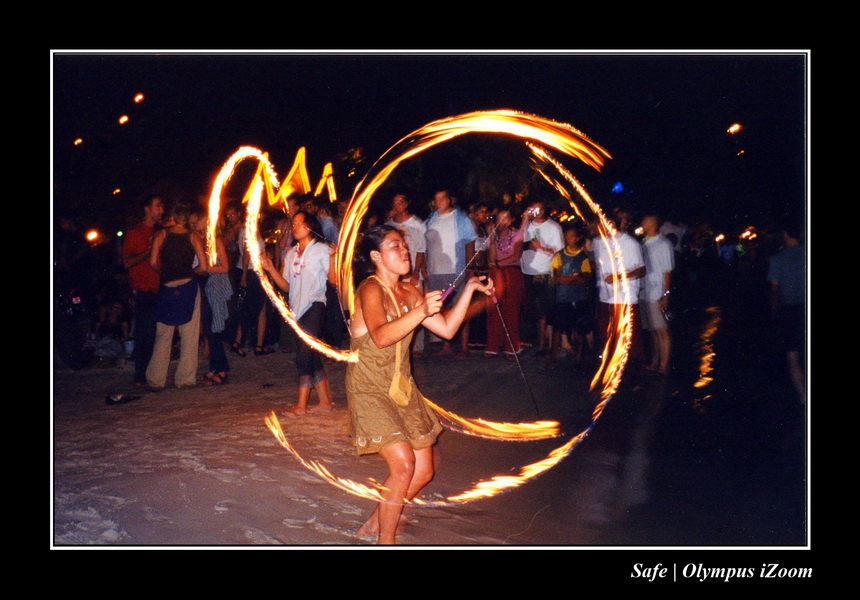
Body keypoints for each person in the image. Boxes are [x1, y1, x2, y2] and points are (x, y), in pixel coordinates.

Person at [346, 224, 494, 544]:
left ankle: (375, 521)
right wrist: (420, 312)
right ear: (376, 256)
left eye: (404, 245)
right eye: (395, 246)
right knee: (404, 465)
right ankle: (386, 541)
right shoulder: (370, 289)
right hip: (369, 387)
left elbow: (447, 329)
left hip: (402, 386)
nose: (404, 251)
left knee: (424, 471)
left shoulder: (410, 291)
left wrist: (469, 289)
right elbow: (382, 336)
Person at [261, 211, 336, 416]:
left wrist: (334, 257)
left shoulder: (322, 250)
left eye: (298, 223)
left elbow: (334, 280)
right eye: (292, 224)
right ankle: (325, 401)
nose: (293, 227)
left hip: (315, 306)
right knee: (310, 354)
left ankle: (301, 405)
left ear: (309, 226)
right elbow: (285, 286)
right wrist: (269, 268)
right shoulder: (292, 253)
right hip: (297, 309)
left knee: (303, 355)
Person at [146, 201, 208, 390]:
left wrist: (165, 272)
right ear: (188, 217)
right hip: (188, 286)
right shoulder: (194, 236)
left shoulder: (161, 235)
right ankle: (185, 380)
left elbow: (153, 263)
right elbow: (204, 266)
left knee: (164, 335)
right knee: (189, 335)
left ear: (173, 217)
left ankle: (156, 380)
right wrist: (191, 272)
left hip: (167, 286)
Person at [592, 210, 647, 388]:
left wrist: (619, 276)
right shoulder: (600, 242)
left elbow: (640, 270)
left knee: (631, 339)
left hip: (625, 299)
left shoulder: (629, 243)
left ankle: (635, 377)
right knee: (607, 336)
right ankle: (613, 373)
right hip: (605, 298)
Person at [423, 189, 477, 355]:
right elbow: (425, 246)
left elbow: (470, 244)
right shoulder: (430, 220)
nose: (439, 202)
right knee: (442, 308)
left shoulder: (461, 219)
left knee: (460, 307)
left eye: (442, 198)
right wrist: (424, 267)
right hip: (434, 271)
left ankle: (465, 346)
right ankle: (446, 346)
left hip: (455, 270)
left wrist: (469, 268)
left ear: (449, 199)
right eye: (436, 199)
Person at [121, 195, 164, 385]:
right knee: (145, 334)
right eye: (158, 206)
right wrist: (149, 252)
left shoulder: (158, 232)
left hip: (157, 287)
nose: (162, 210)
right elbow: (127, 262)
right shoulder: (135, 232)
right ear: (147, 209)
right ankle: (140, 376)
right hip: (142, 288)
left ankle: (151, 374)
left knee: (156, 334)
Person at [767, 220, 806, 404]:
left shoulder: (778, 258)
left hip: (789, 310)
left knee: (793, 356)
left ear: (785, 235)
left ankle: (803, 397)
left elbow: (775, 290)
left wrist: (773, 312)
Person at [192, 207, 232, 385]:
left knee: (212, 328)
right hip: (205, 285)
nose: (194, 222)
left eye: (197, 220)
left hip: (214, 286)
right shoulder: (199, 240)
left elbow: (225, 267)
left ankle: (222, 370)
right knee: (209, 328)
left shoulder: (216, 241)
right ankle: (214, 368)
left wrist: (206, 267)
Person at [548, 221, 594, 369]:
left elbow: (586, 279)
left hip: (578, 298)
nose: (569, 239)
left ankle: (578, 361)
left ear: (578, 237)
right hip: (562, 299)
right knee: (557, 328)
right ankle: (553, 359)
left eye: (572, 236)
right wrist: (575, 278)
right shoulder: (559, 255)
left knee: (579, 330)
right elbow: (557, 278)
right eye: (567, 236)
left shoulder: (583, 256)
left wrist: (567, 280)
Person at [520, 198, 564, 356]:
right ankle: (540, 342)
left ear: (544, 210)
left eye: (538, 209)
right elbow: (518, 242)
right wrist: (525, 220)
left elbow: (560, 253)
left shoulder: (553, 227)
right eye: (532, 209)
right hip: (527, 271)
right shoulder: (527, 226)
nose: (535, 213)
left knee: (543, 312)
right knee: (533, 311)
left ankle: (542, 347)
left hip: (544, 273)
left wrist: (542, 248)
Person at [386, 192, 427, 355]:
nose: (398, 205)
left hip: (412, 273)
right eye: (395, 202)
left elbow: (421, 250)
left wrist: (416, 271)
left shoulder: (417, 223)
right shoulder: (389, 225)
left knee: (416, 308)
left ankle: (417, 345)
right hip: (394, 275)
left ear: (406, 204)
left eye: (401, 202)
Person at [484, 205, 525, 359]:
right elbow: (491, 259)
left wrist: (498, 265)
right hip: (497, 274)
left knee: (511, 310)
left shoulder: (517, 234)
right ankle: (493, 345)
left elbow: (516, 256)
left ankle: (511, 347)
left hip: (511, 274)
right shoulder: (494, 237)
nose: (501, 222)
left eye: (505, 219)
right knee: (494, 309)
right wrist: (492, 239)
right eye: (499, 219)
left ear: (511, 220)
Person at [639, 211, 675, 376]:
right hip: (644, 292)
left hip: (656, 293)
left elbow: (667, 272)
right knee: (652, 330)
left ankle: (664, 363)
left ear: (652, 222)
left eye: (645, 220)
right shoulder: (644, 242)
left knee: (661, 329)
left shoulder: (663, 244)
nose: (642, 222)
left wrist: (665, 295)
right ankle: (655, 361)